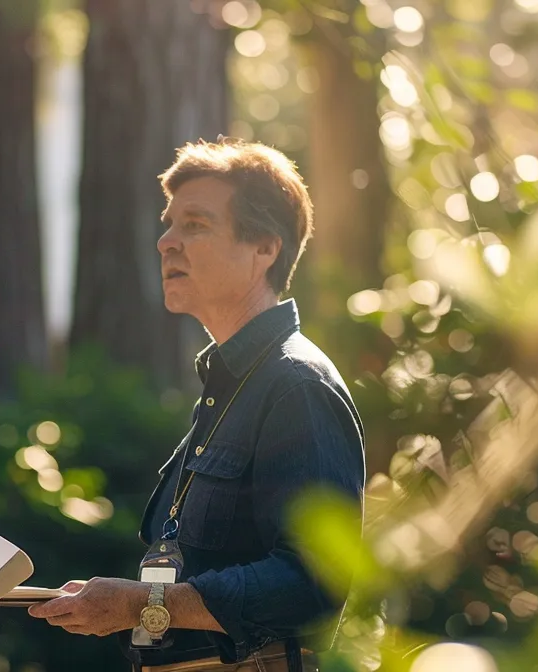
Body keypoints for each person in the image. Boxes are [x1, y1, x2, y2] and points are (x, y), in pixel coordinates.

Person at [29, 139, 365, 672]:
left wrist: (140, 604)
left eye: (196, 224)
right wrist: (122, 604)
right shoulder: (230, 385)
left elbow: (315, 583)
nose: (166, 242)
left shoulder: (296, 385)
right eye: (169, 224)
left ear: (265, 248)